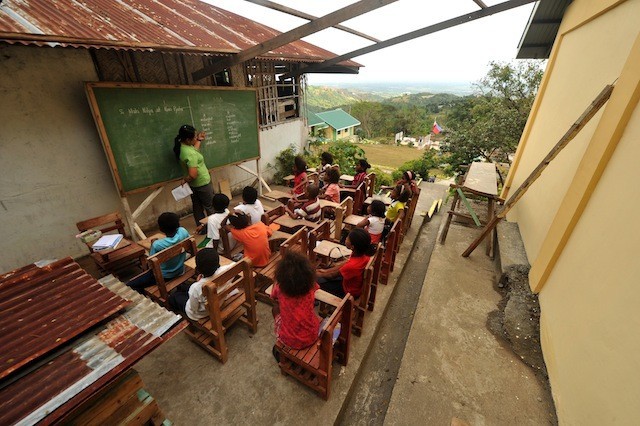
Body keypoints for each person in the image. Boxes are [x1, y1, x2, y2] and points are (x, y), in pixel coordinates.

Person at [127, 212, 189, 292]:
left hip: (164, 276)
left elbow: (151, 263)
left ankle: (146, 299)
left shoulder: (157, 245)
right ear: (178, 224)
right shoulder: (183, 231)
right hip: (180, 269)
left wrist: (153, 244)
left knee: (130, 285)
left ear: (161, 228)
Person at [271, 251, 320, 351]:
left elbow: (272, 297)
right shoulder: (311, 286)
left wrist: (276, 281)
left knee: (275, 309)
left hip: (290, 341)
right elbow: (316, 288)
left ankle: (282, 342)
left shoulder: (279, 289)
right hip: (313, 334)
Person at [168, 248, 235, 319]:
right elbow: (234, 264)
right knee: (186, 288)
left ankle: (175, 317)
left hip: (203, 312)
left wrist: (199, 282)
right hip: (218, 301)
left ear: (198, 268)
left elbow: (194, 308)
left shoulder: (196, 287)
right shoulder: (228, 270)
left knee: (174, 297)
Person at [173, 124, 214, 228]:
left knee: (197, 207)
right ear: (187, 139)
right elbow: (193, 174)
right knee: (210, 206)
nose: (196, 138)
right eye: (195, 137)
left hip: (194, 185)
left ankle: (202, 228)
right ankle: (215, 227)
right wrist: (186, 179)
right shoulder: (189, 153)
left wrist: (199, 140)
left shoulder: (184, 147)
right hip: (202, 183)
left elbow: (194, 151)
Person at [317, 228, 371, 299]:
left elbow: (332, 275)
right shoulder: (363, 255)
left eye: (348, 238)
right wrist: (325, 271)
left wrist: (317, 273)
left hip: (348, 292)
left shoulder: (352, 266)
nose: (346, 238)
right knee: (324, 271)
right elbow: (345, 264)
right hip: (352, 284)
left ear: (352, 246)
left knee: (314, 280)